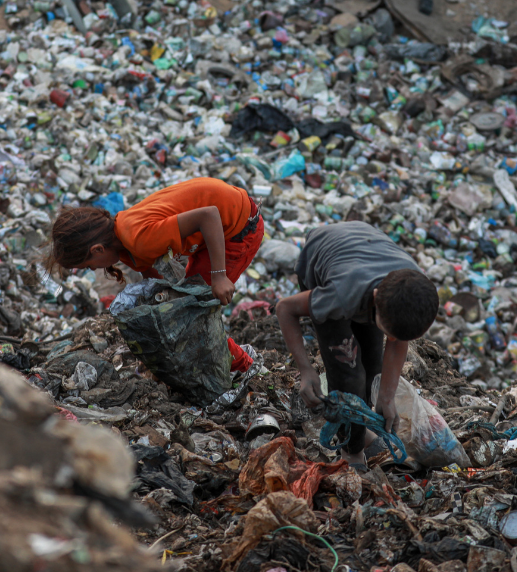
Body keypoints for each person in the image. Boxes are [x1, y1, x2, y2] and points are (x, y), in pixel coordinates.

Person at [275, 221, 439, 470]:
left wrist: (386, 396)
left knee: (372, 371)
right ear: (374, 301)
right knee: (349, 376)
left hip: (364, 248)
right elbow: (285, 308)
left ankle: (360, 430)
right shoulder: (339, 295)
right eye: (389, 332)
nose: (392, 339)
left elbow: (397, 342)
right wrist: (306, 370)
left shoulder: (412, 290)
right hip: (323, 256)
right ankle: (350, 450)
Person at [45, 177, 263, 305]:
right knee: (185, 303)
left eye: (90, 265)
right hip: (210, 230)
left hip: (238, 225)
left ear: (98, 249)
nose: (95, 269)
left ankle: (246, 368)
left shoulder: (140, 238)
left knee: (197, 310)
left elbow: (209, 216)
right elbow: (157, 281)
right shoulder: (124, 243)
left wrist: (219, 276)